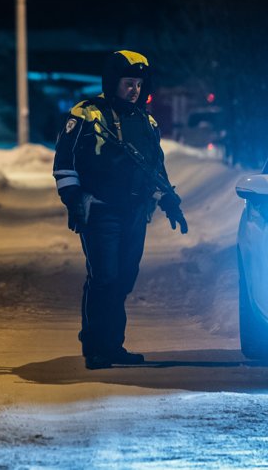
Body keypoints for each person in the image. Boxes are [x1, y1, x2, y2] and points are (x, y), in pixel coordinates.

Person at [52, 50, 188, 370]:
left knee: (125, 278)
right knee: (104, 277)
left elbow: (156, 169)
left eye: (139, 84)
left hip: (136, 212)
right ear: (113, 82)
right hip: (99, 211)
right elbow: (64, 163)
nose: (135, 90)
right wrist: (73, 200)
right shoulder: (86, 114)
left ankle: (113, 345)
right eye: (128, 83)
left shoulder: (146, 122)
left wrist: (169, 202)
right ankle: (96, 344)